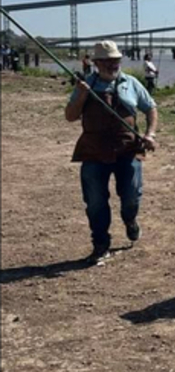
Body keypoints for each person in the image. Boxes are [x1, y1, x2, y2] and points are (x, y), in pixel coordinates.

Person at [64, 40, 158, 264]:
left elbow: (151, 108)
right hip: (94, 152)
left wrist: (150, 134)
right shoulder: (85, 85)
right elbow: (70, 115)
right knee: (95, 201)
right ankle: (100, 245)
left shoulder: (132, 83)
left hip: (127, 150)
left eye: (115, 60)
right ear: (96, 63)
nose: (111, 64)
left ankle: (130, 220)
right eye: (106, 61)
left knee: (131, 196)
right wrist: (81, 95)